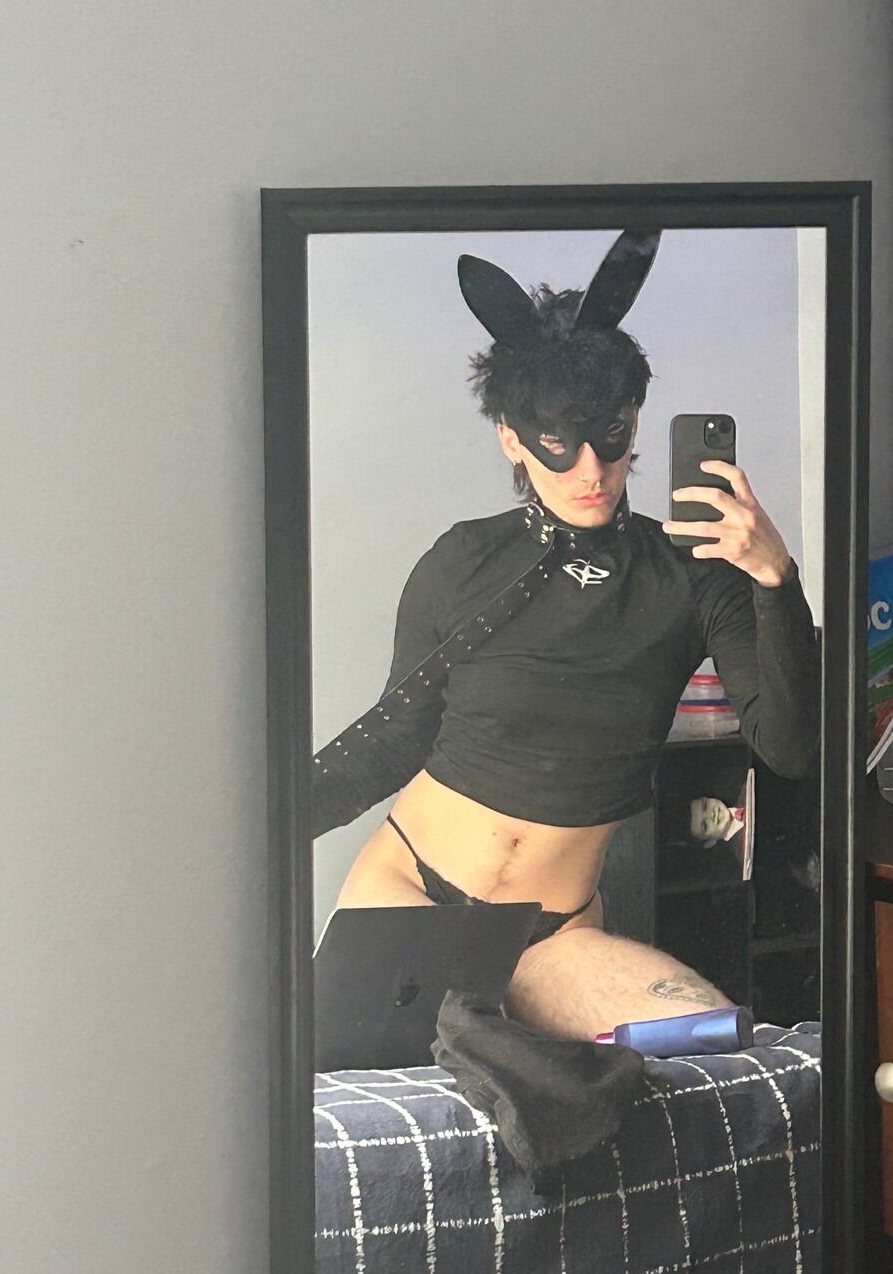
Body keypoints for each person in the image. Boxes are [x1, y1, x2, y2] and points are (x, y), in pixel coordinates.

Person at [312, 231, 820, 1042]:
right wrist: (243, 828)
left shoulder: (695, 575)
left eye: (610, 436)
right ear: (511, 437)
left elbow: (789, 748)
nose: (590, 471)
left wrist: (775, 579)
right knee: (365, 1100)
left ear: (635, 421)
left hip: (553, 937)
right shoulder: (463, 560)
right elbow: (392, 739)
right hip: (409, 891)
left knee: (711, 1050)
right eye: (557, 443)